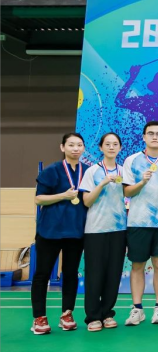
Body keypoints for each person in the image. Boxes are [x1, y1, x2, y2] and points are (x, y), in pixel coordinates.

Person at [122, 121, 158, 326]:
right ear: (144, 137)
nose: (155, 137)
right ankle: (137, 309)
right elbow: (127, 192)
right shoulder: (132, 160)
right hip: (138, 221)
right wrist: (142, 182)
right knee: (137, 265)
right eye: (151, 133)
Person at [30, 133, 89, 335]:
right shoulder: (52, 170)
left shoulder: (87, 171)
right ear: (62, 147)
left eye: (79, 145)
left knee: (71, 274)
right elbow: (39, 199)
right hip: (50, 231)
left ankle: (67, 314)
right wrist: (63, 195)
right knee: (42, 274)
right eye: (71, 145)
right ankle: (39, 317)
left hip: (76, 231)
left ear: (83, 148)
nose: (75, 148)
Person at [80, 132, 128, 332]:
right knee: (94, 274)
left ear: (120, 148)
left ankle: (107, 313)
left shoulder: (124, 171)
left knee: (113, 274)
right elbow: (87, 201)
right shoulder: (92, 172)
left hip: (119, 229)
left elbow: (130, 193)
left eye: (115, 144)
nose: (111, 147)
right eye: (107, 144)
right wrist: (102, 183)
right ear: (100, 147)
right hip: (95, 230)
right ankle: (93, 317)